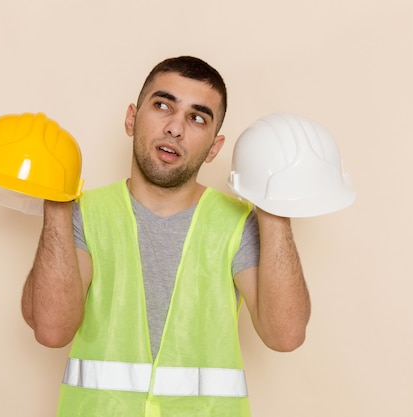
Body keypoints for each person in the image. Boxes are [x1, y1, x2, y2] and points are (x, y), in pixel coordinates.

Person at [21, 56, 311, 417]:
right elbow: (51, 330)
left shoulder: (238, 224)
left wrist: (273, 205)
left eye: (197, 118)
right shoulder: (84, 213)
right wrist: (57, 201)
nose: (175, 128)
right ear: (131, 118)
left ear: (215, 148)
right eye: (162, 106)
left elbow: (285, 335)